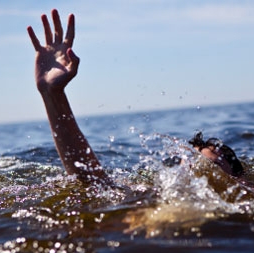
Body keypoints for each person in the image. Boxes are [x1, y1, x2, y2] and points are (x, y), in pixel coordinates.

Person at [27, 9, 243, 186]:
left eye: (211, 165)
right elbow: (93, 183)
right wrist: (52, 94)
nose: (196, 167)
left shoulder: (245, 201)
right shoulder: (150, 196)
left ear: (237, 180)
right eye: (191, 162)